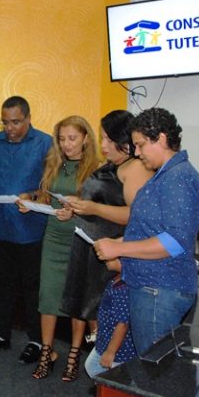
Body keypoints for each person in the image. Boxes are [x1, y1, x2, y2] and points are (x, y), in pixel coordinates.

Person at [95, 107, 199, 356]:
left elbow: (174, 242)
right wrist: (121, 241)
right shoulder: (165, 176)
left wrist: (120, 248)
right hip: (153, 288)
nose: (136, 152)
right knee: (151, 364)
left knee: (155, 367)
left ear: (162, 138)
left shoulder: (178, 178)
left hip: (160, 290)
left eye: (141, 144)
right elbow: (152, 230)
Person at [0, 96, 53, 363]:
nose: (9, 128)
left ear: (28, 119)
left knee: (32, 287)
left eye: (15, 122)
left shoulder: (45, 143)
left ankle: (36, 340)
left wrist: (34, 195)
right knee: (2, 284)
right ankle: (0, 334)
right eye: (5, 122)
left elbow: (53, 184)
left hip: (31, 229)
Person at [61, 111, 152, 355]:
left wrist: (93, 208)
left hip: (112, 251)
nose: (103, 145)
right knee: (92, 312)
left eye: (109, 140)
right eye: (102, 138)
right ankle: (97, 362)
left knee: (105, 313)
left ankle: (106, 365)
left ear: (124, 140)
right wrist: (77, 208)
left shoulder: (135, 168)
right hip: (91, 248)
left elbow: (136, 215)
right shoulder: (114, 165)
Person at [22, 116, 100, 381]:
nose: (66, 144)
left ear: (86, 138)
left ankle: (74, 356)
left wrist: (76, 212)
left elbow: (102, 211)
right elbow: (47, 196)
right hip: (53, 237)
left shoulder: (97, 170)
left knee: (76, 299)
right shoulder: (55, 163)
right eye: (62, 138)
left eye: (72, 138)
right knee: (48, 297)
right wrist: (31, 201)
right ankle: (47, 352)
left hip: (80, 239)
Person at [77, 261, 136, 397]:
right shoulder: (114, 281)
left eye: (111, 257)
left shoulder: (124, 288)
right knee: (92, 367)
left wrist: (111, 351)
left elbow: (122, 324)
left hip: (118, 348)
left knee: (111, 378)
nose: (104, 258)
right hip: (105, 339)